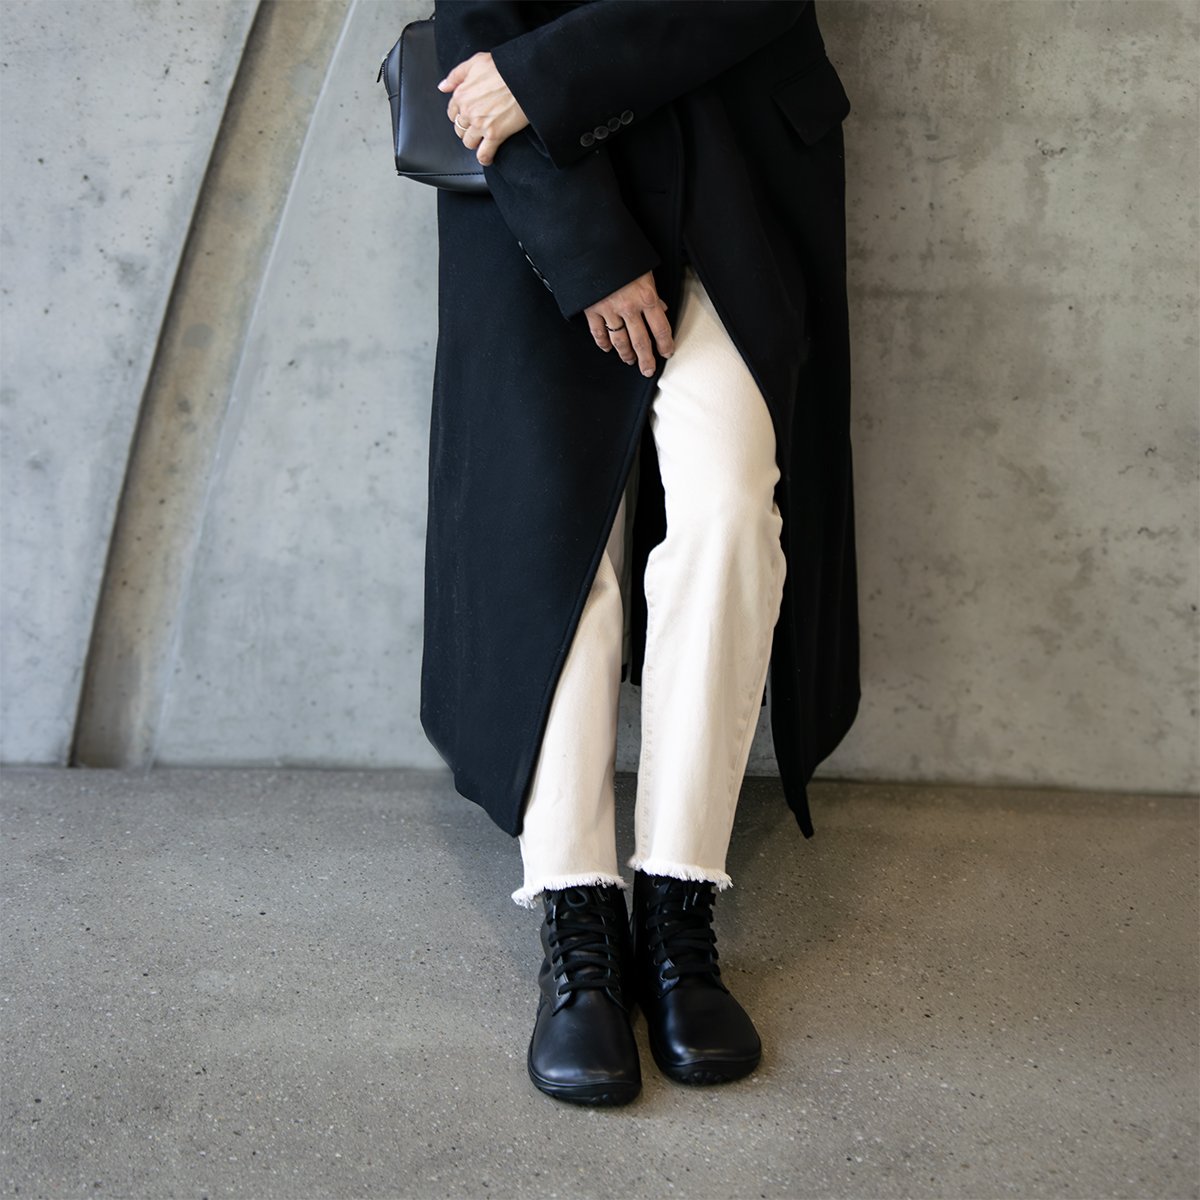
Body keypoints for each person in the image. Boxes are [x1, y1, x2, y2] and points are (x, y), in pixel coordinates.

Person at [426, 0, 859, 1106]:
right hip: (540, 192)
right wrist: (586, 248)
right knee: (556, 543)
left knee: (729, 511)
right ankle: (577, 910)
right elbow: (474, 29)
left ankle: (677, 900)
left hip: (736, 188)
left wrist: (544, 77)